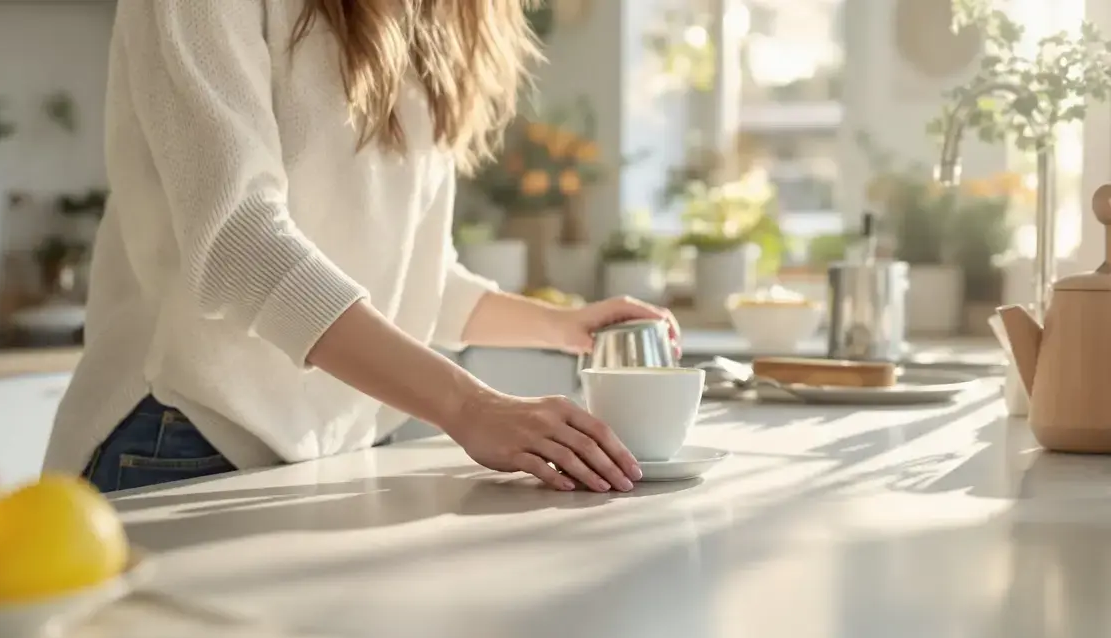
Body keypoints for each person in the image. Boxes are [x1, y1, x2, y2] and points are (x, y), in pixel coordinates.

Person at [44, 0, 681, 496]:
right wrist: (468, 405)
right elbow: (239, 243)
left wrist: (561, 326)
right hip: (182, 432)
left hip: (336, 451)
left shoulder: (440, 15)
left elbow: (409, 277)